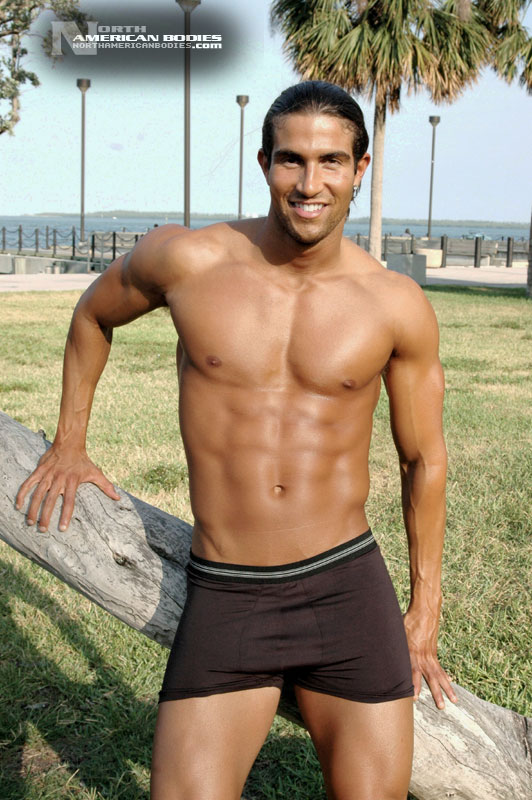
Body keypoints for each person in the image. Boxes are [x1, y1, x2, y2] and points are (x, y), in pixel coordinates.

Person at [16, 81, 457, 800]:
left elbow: (424, 460)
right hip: (229, 592)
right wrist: (69, 442)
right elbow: (93, 316)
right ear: (264, 164)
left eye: (330, 161)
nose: (309, 183)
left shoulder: (394, 304)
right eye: (291, 160)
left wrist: (425, 609)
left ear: (360, 168)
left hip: (347, 591)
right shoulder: (188, 261)